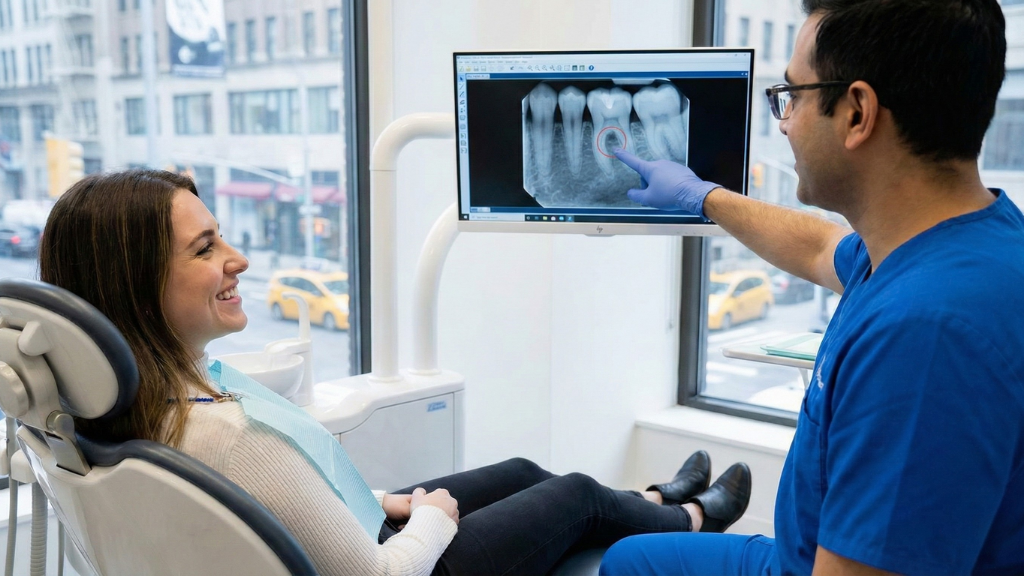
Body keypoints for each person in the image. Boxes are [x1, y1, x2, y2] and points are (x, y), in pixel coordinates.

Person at [39, 168, 754, 576]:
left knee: (521, 471)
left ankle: (649, 499)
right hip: (405, 566)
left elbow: (275, 502)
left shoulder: (130, 406)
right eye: (204, 249)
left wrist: (385, 500)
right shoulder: (223, 434)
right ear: (135, 286)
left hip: (365, 530)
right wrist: (433, 519)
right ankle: (691, 517)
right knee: (574, 496)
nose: (238, 259)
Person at [600, 0, 1024, 575]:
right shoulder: (953, 241)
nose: (783, 122)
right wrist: (702, 196)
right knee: (629, 558)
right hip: (800, 552)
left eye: (791, 96)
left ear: (857, 113)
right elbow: (821, 248)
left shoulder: (927, 335)